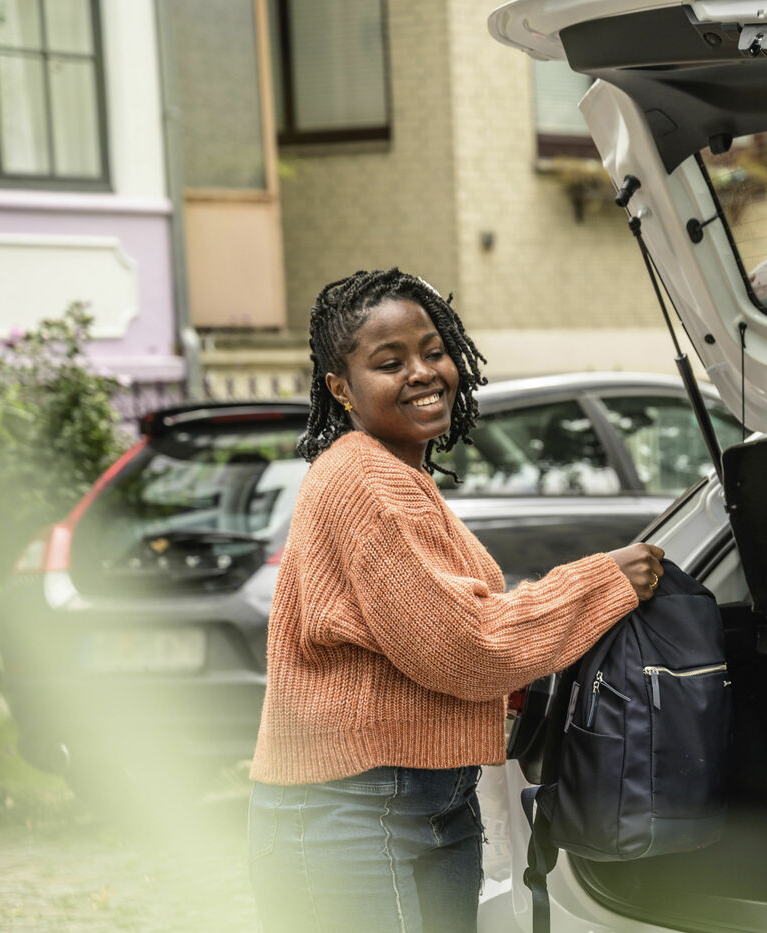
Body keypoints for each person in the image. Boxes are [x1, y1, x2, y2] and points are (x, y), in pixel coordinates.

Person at [246, 268, 664, 933]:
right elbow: (464, 647)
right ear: (340, 387)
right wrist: (602, 581)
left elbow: (457, 623)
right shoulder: (362, 478)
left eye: (433, 350)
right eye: (390, 362)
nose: (423, 371)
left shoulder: (400, 476)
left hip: (428, 798)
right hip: (347, 808)